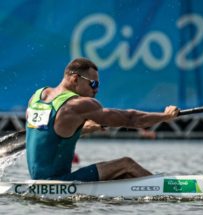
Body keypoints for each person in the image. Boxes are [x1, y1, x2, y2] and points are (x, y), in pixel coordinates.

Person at [26, 58, 180, 182]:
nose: (96, 89)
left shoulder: (37, 97)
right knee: (127, 165)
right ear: (75, 79)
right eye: (93, 84)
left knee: (124, 176)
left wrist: (85, 128)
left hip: (36, 180)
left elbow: (48, 137)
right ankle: (169, 189)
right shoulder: (78, 104)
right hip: (59, 181)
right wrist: (165, 116)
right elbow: (130, 119)